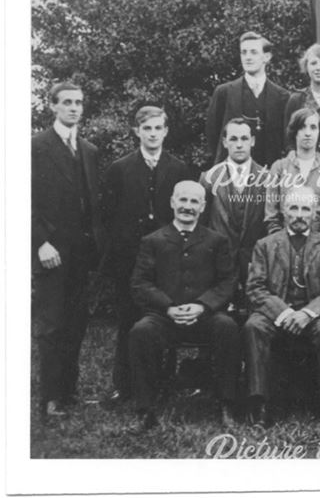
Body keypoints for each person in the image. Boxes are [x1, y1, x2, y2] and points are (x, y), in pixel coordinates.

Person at [128, 181, 240, 430]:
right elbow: (140, 283)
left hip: (205, 317)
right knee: (141, 332)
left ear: (202, 206)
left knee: (228, 328)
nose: (187, 207)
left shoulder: (216, 240)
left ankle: (226, 403)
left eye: (193, 202)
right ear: (172, 202)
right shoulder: (153, 240)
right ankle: (145, 407)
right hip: (165, 318)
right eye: (183, 200)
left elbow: (228, 281)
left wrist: (203, 306)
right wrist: (168, 307)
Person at [100, 106, 191, 406]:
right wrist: (114, 258)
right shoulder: (120, 168)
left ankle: (165, 381)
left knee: (165, 316)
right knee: (128, 320)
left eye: (158, 128)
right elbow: (108, 218)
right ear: (137, 131)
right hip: (129, 258)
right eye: (147, 128)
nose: (152, 134)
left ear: (166, 131)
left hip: (166, 258)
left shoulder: (178, 168)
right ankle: (123, 385)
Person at [243, 186, 320, 425]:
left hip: (314, 314)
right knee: (254, 325)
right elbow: (255, 288)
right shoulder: (265, 244)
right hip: (276, 313)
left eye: (306, 209)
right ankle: (259, 402)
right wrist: (284, 313)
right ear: (283, 211)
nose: (300, 214)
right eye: (294, 208)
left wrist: (307, 313)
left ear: (314, 213)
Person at [32, 82, 104, 419]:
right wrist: (40, 243)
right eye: (67, 103)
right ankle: (50, 398)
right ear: (53, 106)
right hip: (51, 250)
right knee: (51, 325)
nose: (74, 108)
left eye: (79, 102)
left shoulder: (88, 149)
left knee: (76, 323)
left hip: (81, 253)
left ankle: (69, 391)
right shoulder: (37, 147)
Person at [199, 117, 269, 317]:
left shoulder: (268, 178)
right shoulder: (209, 177)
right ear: (224, 142)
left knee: (253, 319)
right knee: (221, 321)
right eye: (234, 138)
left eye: (244, 139)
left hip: (255, 263)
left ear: (252, 141)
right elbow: (202, 225)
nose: (239, 144)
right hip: (220, 263)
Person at [206, 31, 291, 166]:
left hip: (269, 172)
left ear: (266, 57)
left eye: (253, 52)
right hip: (231, 172)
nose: (248, 57)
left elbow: (286, 139)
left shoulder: (282, 97)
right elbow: (213, 134)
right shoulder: (224, 92)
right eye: (244, 52)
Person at [263, 109, 320, 238]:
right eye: (302, 127)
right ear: (294, 132)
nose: (307, 133)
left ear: (319, 132)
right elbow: (271, 216)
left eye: (313, 128)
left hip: (319, 243)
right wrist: (281, 242)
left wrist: (319, 243)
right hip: (284, 241)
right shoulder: (279, 167)